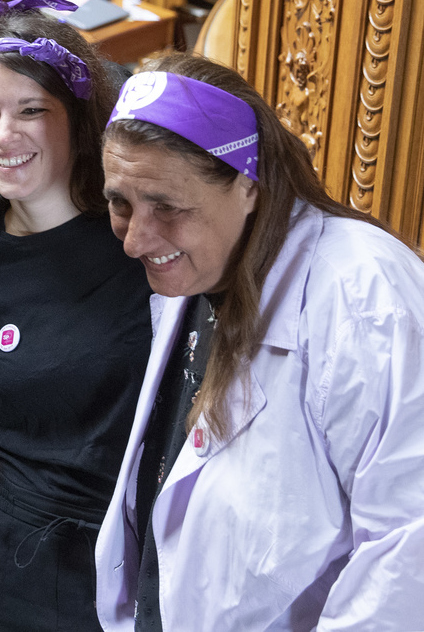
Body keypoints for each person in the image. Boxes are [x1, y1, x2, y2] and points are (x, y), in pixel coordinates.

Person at [95, 54, 424, 630]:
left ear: (248, 185)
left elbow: (408, 546)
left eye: (167, 207)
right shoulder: (199, 271)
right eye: (120, 203)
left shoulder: (365, 294)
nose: (134, 239)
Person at [0, 13, 152, 630]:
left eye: (31, 110)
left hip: (145, 546)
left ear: (77, 120)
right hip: (24, 560)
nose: (4, 135)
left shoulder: (143, 234)